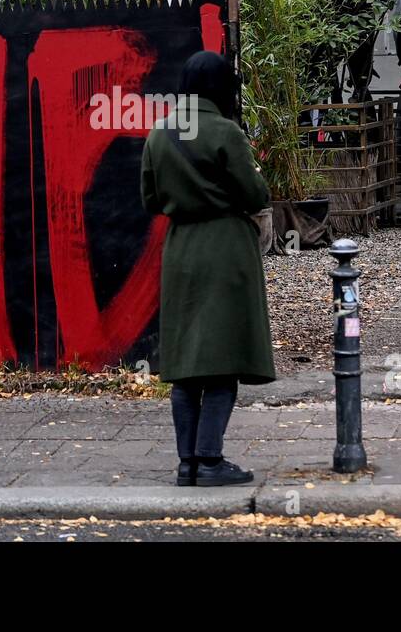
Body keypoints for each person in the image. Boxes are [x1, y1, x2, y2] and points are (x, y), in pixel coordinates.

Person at [140, 51, 276, 488]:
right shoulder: (225, 131)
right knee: (222, 361)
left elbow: (149, 199)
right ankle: (211, 459)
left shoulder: (159, 133)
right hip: (225, 250)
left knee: (186, 366)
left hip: (180, 252)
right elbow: (255, 195)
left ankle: (187, 464)